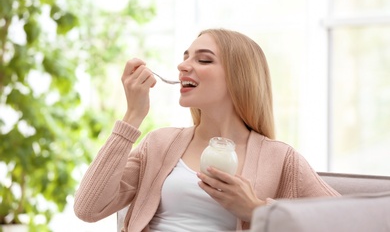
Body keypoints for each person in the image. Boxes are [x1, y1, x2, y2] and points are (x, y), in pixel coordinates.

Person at [74, 28, 340, 232]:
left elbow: (349, 219)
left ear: (239, 77)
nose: (183, 66)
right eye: (185, 57)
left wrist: (257, 210)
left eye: (204, 60)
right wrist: (133, 116)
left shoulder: (280, 158)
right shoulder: (159, 143)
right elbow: (88, 208)